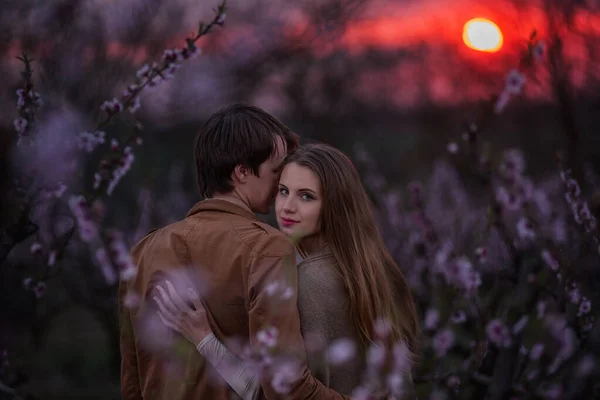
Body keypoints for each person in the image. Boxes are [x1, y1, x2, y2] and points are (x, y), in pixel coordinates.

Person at [118, 104, 352, 399]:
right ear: (242, 172)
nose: (281, 183)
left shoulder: (141, 253)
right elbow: (287, 388)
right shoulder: (267, 247)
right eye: (276, 171)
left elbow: (131, 383)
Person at [153, 143, 420, 399]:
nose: (287, 207)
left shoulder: (306, 283)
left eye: (306, 196)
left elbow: (278, 393)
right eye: (283, 191)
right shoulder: (377, 271)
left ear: (334, 205)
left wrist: (204, 338)